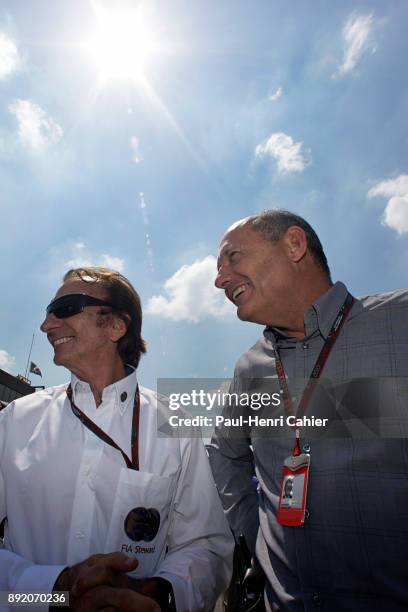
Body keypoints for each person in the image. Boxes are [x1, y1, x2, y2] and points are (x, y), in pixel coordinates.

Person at [0, 267, 233, 612]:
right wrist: (53, 591)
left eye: (65, 308)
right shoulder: (15, 420)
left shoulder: (174, 423)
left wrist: (158, 594)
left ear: (115, 326)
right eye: (47, 313)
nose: (46, 325)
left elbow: (206, 545)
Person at [209, 209, 408, 611]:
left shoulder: (400, 322)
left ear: (295, 245)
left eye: (232, 258)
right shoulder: (249, 368)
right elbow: (224, 453)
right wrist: (258, 540)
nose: (219, 280)